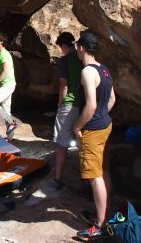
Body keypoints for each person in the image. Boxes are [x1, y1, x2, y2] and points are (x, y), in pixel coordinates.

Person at [72, 31, 116, 240]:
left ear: (81, 48)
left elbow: (90, 105)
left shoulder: (88, 72)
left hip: (92, 129)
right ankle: (105, 215)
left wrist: (77, 127)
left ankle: (99, 225)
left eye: (77, 47)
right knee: (103, 171)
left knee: (93, 175)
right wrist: (102, 116)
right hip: (105, 125)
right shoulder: (104, 69)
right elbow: (112, 100)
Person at [52, 32, 84, 190]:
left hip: (69, 104)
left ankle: (57, 178)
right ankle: (85, 178)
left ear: (64, 46)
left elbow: (63, 84)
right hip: (83, 105)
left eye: (61, 48)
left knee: (62, 145)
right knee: (82, 144)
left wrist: (60, 104)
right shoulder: (81, 58)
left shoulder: (64, 61)